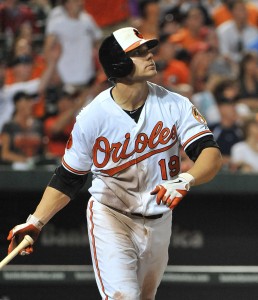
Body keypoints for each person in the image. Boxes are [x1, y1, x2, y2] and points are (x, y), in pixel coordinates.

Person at [6, 27, 222, 300]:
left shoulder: (174, 104)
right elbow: (69, 176)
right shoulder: (93, 116)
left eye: (147, 50)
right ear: (118, 62)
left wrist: (187, 179)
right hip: (112, 214)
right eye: (138, 52)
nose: (149, 55)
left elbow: (210, 154)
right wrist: (35, 221)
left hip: (160, 220)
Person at [1, 91, 45, 169]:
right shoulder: (9, 126)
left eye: (30, 101)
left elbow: (44, 150)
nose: (30, 104)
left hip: (36, 166)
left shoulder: (38, 125)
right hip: (17, 167)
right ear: (17, 104)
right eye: (26, 101)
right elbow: (5, 154)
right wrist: (25, 161)